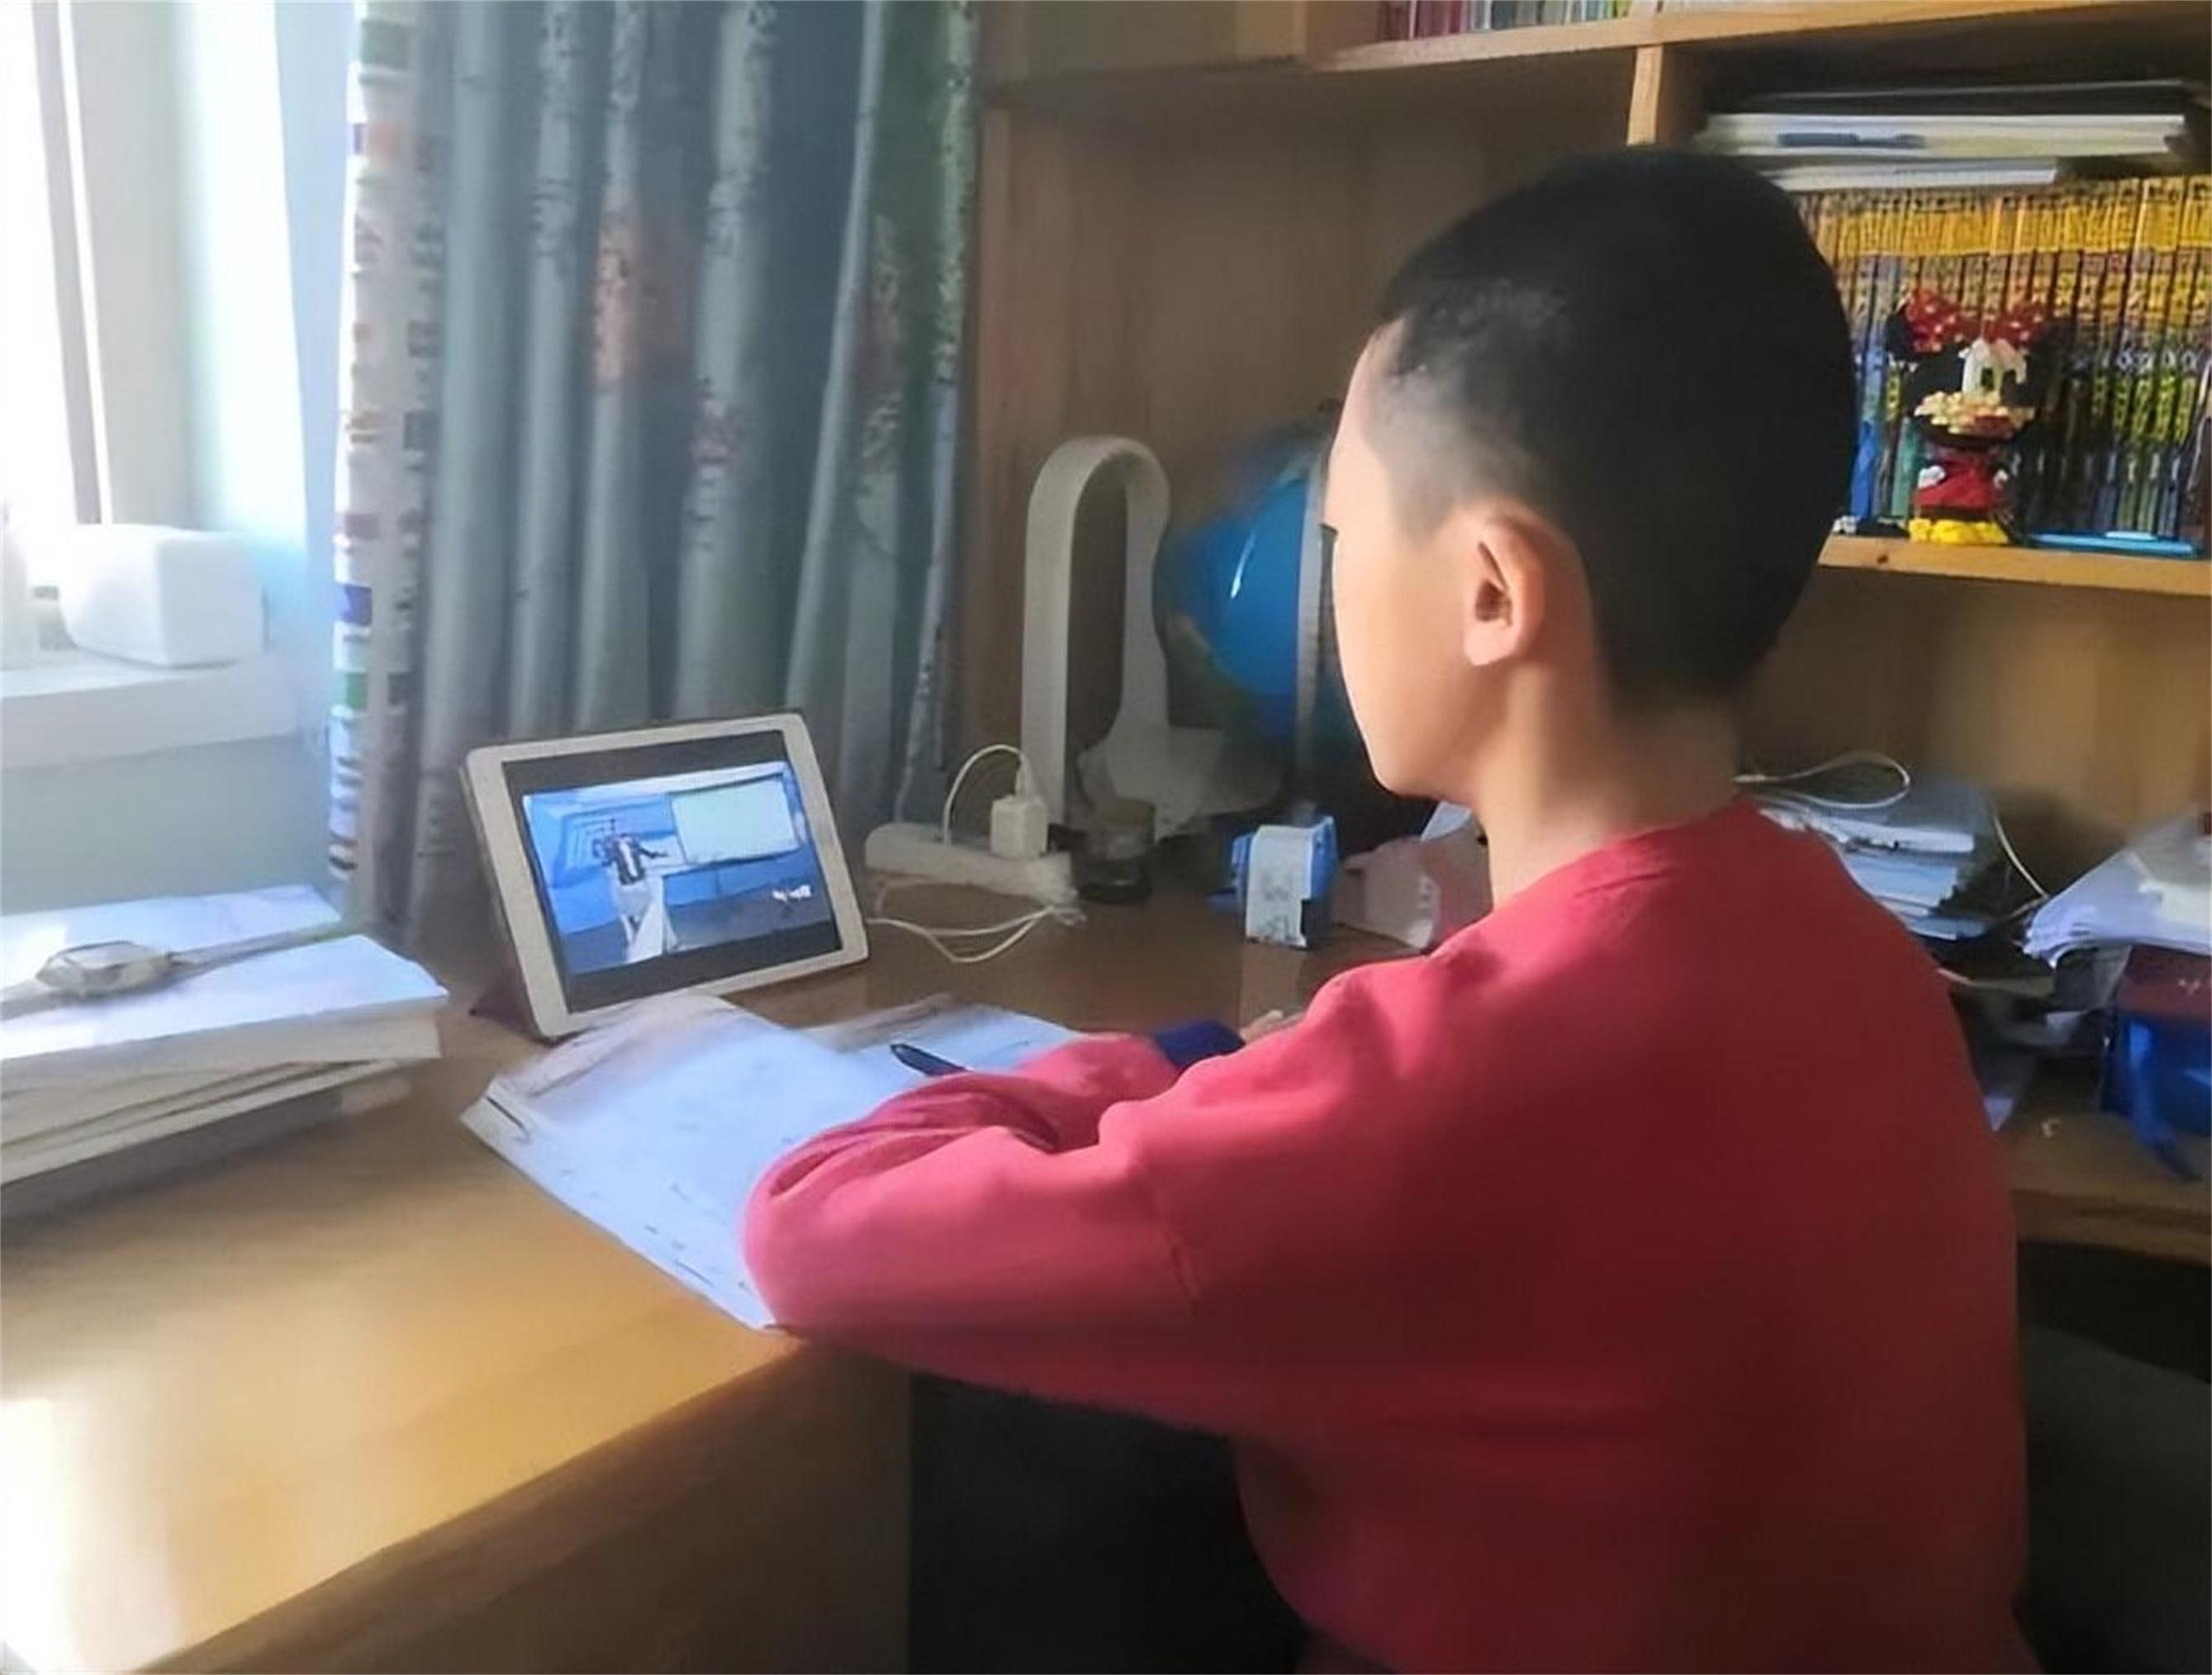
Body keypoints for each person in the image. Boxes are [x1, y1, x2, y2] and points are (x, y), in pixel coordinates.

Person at [746, 150, 2028, 1672]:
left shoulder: (1441, 1090)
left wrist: (1186, 1065)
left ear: (1491, 593)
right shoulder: (1856, 951)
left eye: (1341, 536)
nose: (1331, 583)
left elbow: (808, 1229)